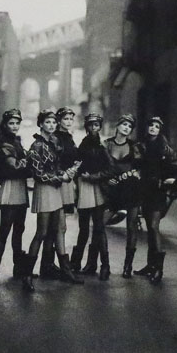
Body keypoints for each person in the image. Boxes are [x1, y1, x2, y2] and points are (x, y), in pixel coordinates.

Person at [22, 109, 81, 292]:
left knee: (54, 230)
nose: (52, 125)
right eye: (48, 122)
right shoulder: (36, 146)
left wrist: (65, 173)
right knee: (41, 232)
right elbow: (38, 175)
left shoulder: (54, 142)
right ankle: (27, 275)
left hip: (55, 190)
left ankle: (60, 268)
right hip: (45, 190)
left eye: (54, 122)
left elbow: (56, 167)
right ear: (40, 124)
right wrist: (60, 178)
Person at [0, 108, 30, 291]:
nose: (14, 126)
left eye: (17, 123)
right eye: (11, 123)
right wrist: (29, 164)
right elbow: (14, 167)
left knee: (19, 230)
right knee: (4, 231)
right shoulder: (4, 142)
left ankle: (17, 267)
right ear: (5, 124)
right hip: (12, 187)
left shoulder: (15, 141)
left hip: (19, 187)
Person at [39, 106, 81, 279]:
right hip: (59, 181)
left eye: (71, 119)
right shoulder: (55, 139)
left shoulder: (69, 138)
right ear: (59, 121)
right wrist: (68, 171)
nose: (69, 122)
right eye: (65, 119)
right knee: (59, 226)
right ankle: (63, 268)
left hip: (67, 181)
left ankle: (47, 265)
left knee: (55, 226)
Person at [70, 113, 112, 280]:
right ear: (86, 127)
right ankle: (77, 263)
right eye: (91, 125)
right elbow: (77, 165)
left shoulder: (102, 146)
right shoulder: (82, 145)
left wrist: (95, 176)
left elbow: (111, 168)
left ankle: (104, 265)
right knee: (84, 228)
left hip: (97, 187)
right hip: (84, 187)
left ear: (100, 127)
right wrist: (78, 179)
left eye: (96, 125)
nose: (94, 128)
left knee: (99, 227)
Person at [134, 116, 175, 284]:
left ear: (160, 129)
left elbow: (171, 167)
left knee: (153, 226)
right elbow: (136, 165)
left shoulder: (164, 147)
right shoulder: (141, 145)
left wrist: (168, 179)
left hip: (158, 191)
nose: (153, 128)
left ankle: (159, 268)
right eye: (151, 125)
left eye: (156, 126)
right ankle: (150, 265)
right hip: (144, 190)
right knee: (149, 229)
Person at [103, 114, 143, 278]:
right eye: (124, 124)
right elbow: (101, 166)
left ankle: (128, 266)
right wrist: (106, 180)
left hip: (131, 190)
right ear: (118, 126)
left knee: (131, 226)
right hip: (113, 192)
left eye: (129, 126)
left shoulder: (135, 147)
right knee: (100, 224)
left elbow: (141, 167)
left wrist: (135, 173)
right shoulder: (107, 144)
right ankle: (104, 264)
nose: (126, 128)